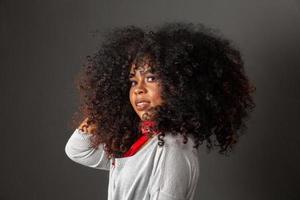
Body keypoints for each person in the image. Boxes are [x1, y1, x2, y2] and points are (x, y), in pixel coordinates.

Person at [65, 22, 256, 200]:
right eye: (133, 81)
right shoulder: (136, 140)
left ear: (178, 86)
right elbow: (77, 150)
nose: (138, 88)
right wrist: (108, 104)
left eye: (150, 78)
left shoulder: (173, 147)